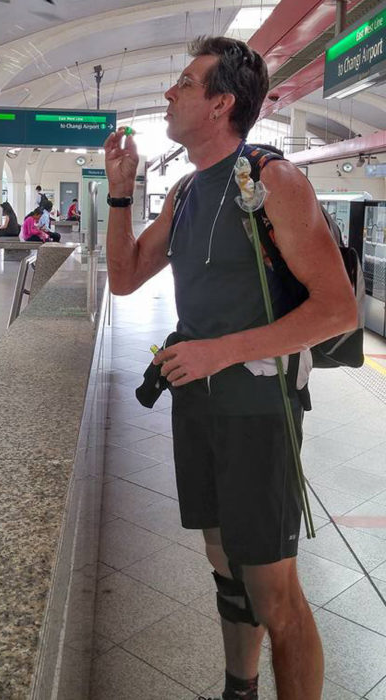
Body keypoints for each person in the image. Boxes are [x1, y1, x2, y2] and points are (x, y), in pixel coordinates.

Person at [104, 36, 358, 700]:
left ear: (221, 103)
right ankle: (238, 689)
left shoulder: (273, 180)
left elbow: (338, 311)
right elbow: (126, 277)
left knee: (276, 594)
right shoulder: (187, 190)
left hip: (258, 411)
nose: (169, 92)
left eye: (185, 83)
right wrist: (121, 196)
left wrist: (218, 351)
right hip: (200, 408)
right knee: (226, 568)